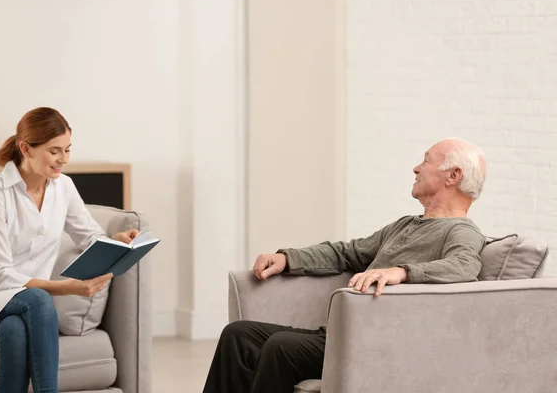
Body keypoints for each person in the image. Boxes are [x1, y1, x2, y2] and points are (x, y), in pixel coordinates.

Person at [203, 138, 488, 393]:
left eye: (426, 161)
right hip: (336, 332)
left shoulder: (461, 231)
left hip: (372, 341)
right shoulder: (405, 225)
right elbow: (347, 253)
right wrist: (289, 259)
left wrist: (401, 272)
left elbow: (464, 267)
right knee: (238, 335)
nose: (416, 168)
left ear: (453, 175)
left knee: (281, 348)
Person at [0, 107, 139, 393]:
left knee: (14, 331)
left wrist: (116, 240)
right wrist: (67, 288)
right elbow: (0, 278)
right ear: (25, 148)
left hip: (21, 307)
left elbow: (89, 236)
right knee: (40, 300)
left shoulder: (63, 187)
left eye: (67, 150)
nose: (63, 159)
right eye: (54, 151)